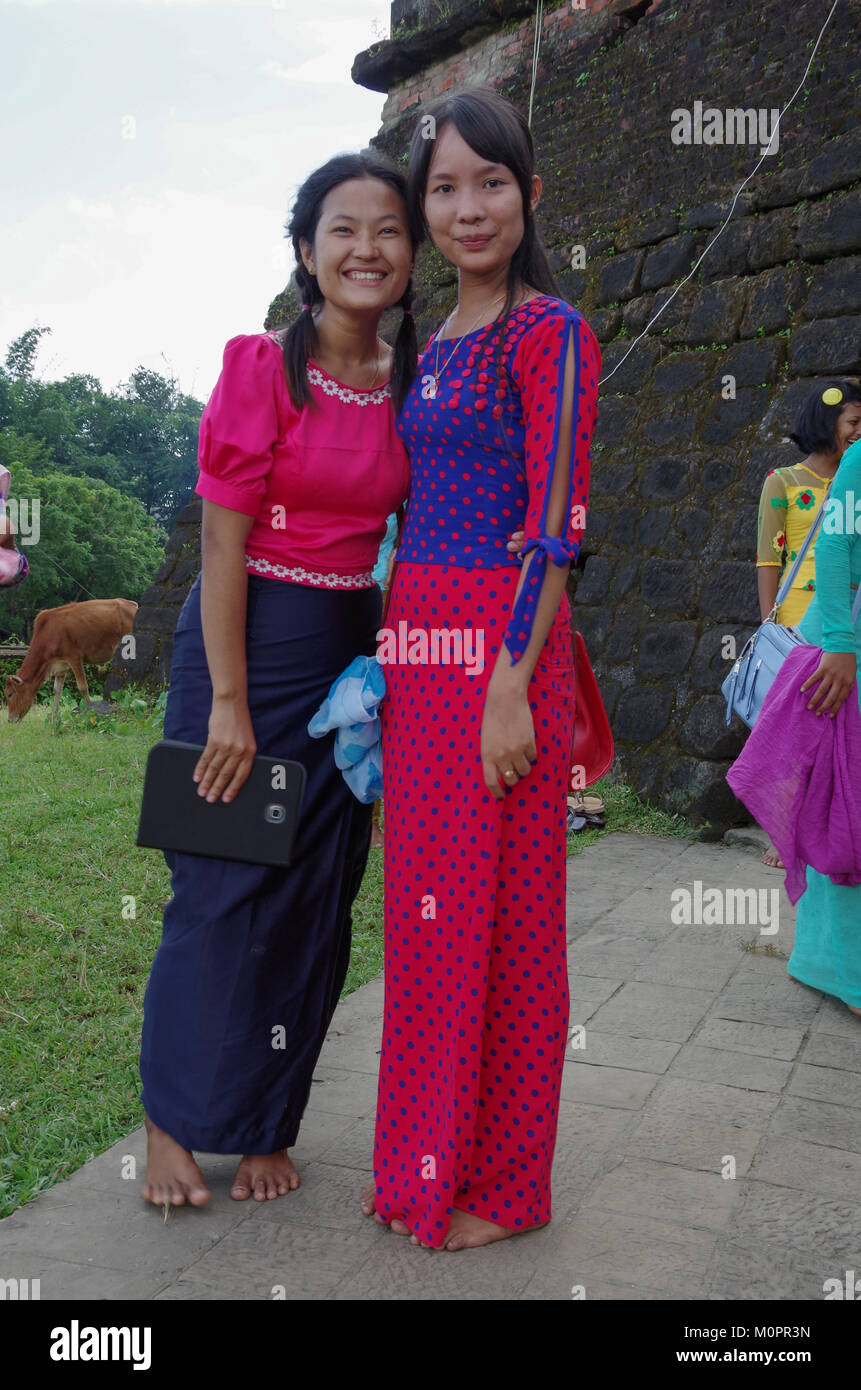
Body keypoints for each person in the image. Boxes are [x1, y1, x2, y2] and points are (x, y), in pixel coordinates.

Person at [140, 151, 415, 1209]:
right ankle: (170, 1122)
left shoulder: (414, 381)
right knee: (218, 888)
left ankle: (263, 1122)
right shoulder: (263, 366)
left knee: (312, 893)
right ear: (306, 250)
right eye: (341, 229)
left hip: (346, 658)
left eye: (387, 230)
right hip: (245, 642)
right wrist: (227, 701)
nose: (365, 249)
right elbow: (219, 547)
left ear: (409, 254)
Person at [361, 87, 600, 1250]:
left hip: (504, 649)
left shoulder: (549, 331)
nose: (467, 208)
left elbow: (556, 522)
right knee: (424, 919)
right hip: (419, 642)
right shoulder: (435, 337)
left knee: (508, 922)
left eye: (489, 182)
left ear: (530, 193)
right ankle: (422, 1160)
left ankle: (504, 1187)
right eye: (444, 188)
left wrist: (510, 678)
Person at [755, 380, 861, 867]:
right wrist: (767, 627)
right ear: (826, 424)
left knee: (833, 735)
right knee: (795, 736)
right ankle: (783, 834)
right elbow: (767, 559)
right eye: (853, 424)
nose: (859, 434)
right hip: (799, 622)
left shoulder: (855, 479)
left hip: (844, 619)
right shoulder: (784, 483)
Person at [789, 429, 861, 1015]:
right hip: (847, 642)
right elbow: (834, 547)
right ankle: (846, 971)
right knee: (846, 802)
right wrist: (840, 643)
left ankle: (823, 959)